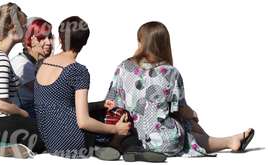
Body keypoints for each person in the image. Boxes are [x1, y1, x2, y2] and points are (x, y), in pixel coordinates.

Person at [105, 21, 255, 157]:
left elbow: (112, 103)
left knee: (173, 121)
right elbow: (180, 110)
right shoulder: (170, 72)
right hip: (165, 141)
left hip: (129, 135)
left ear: (140, 42)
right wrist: (194, 114)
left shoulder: (123, 67)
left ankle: (227, 141)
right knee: (186, 122)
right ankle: (227, 142)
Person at [34, 16, 130, 159]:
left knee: (101, 110)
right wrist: (115, 129)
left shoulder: (42, 63)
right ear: (84, 42)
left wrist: (99, 104)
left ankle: (111, 146)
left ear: (60, 38)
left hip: (47, 139)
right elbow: (83, 121)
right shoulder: (77, 71)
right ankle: (116, 146)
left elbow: (59, 105)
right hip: (72, 143)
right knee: (120, 118)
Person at [0, 2, 45, 159]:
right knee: (47, 136)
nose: (26, 31)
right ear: (14, 29)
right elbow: (2, 105)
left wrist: (38, 58)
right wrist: (23, 114)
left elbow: (14, 85)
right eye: (24, 27)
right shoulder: (0, 59)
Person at [11, 17, 53, 119]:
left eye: (50, 37)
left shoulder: (32, 63)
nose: (48, 42)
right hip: (23, 116)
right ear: (31, 39)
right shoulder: (22, 64)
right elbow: (45, 94)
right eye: (42, 38)